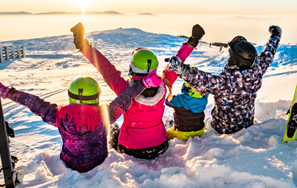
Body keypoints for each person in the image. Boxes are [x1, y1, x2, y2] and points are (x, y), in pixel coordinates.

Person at [70, 22, 205, 159]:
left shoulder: (124, 90)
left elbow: (105, 68)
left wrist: (83, 46)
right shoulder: (164, 85)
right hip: (159, 145)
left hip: (130, 148)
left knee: (114, 131)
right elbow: (178, 61)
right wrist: (192, 41)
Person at [0, 73, 162, 172]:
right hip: (99, 160)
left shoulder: (59, 116)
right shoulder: (105, 115)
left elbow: (34, 103)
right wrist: (144, 84)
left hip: (70, 163)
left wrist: (8, 93)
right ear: (96, 97)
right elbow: (125, 98)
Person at [166, 25, 281, 135]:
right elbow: (267, 55)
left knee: (207, 124)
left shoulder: (226, 82)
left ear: (235, 60)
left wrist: (180, 69)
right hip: (247, 123)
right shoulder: (257, 70)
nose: (228, 57)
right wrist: (275, 36)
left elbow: (203, 80)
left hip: (223, 129)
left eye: (230, 55)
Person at [165, 67, 210, 141]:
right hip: (199, 131)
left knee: (168, 134)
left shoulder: (180, 100)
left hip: (183, 133)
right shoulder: (204, 98)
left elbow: (167, 101)